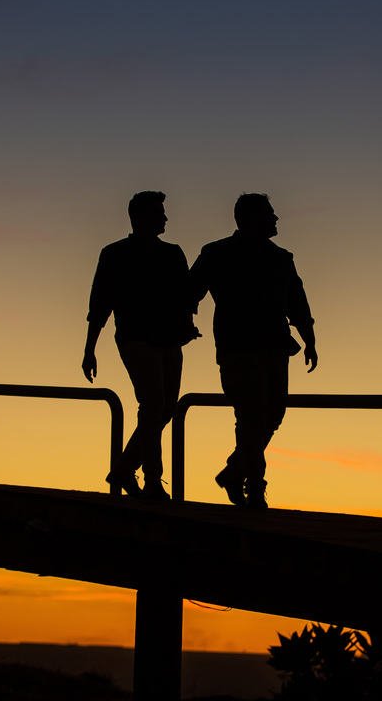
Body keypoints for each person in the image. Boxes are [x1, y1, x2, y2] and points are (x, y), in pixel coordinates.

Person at [190, 193, 317, 510]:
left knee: (273, 414)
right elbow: (190, 291)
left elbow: (297, 303)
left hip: (274, 347)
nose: (276, 220)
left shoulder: (281, 258)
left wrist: (310, 339)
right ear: (249, 219)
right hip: (238, 348)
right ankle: (255, 489)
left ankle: (235, 472)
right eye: (270, 215)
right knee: (251, 414)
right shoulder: (218, 253)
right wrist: (184, 321)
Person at [83, 191, 198, 501]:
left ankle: (123, 469)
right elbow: (100, 303)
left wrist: (187, 326)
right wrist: (89, 348)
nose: (165, 218)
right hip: (136, 339)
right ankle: (152, 480)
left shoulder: (173, 253)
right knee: (152, 406)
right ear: (140, 216)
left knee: (165, 410)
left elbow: (186, 295)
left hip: (170, 340)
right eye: (159, 212)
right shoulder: (114, 253)